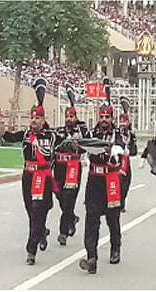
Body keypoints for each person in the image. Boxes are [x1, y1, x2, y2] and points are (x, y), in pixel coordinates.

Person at [0, 78, 58, 265]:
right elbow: (10, 137)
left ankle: (31, 250)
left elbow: (70, 147)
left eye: (37, 117)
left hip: (44, 177)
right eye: (32, 117)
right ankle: (40, 231)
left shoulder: (53, 135)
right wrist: (1, 131)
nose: (33, 120)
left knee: (38, 209)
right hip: (28, 177)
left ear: (44, 119)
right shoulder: (26, 134)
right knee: (30, 211)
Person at [78, 101, 127, 274]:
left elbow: (122, 148)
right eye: (102, 116)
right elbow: (82, 146)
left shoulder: (118, 133)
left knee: (112, 219)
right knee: (91, 218)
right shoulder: (92, 133)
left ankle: (116, 247)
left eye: (107, 116)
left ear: (112, 118)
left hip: (111, 180)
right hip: (94, 179)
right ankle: (91, 257)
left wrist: (112, 150)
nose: (104, 119)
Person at [52, 86, 89, 246]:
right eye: (67, 116)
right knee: (60, 196)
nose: (69, 119)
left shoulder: (81, 130)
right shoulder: (59, 131)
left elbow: (87, 142)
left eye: (72, 116)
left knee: (69, 200)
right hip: (59, 168)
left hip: (73, 167)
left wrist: (78, 131)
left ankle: (63, 231)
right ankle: (72, 218)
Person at [117, 105, 138, 213]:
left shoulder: (131, 134)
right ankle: (119, 203)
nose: (122, 124)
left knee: (126, 183)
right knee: (118, 183)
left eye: (124, 122)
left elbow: (135, 151)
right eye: (120, 122)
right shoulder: (116, 133)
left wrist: (130, 151)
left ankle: (123, 200)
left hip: (126, 162)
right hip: (117, 161)